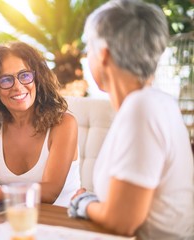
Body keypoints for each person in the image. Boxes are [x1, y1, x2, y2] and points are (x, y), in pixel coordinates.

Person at [67, 0, 194, 239]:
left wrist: (83, 203)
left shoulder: (142, 108)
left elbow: (122, 221)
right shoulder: (157, 103)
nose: (87, 56)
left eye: (89, 48)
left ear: (103, 54)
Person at [0, 41, 80, 209]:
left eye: (24, 75)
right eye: (6, 80)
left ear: (36, 79)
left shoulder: (63, 124)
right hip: (15, 223)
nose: (18, 86)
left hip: (62, 224)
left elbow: (50, 191)